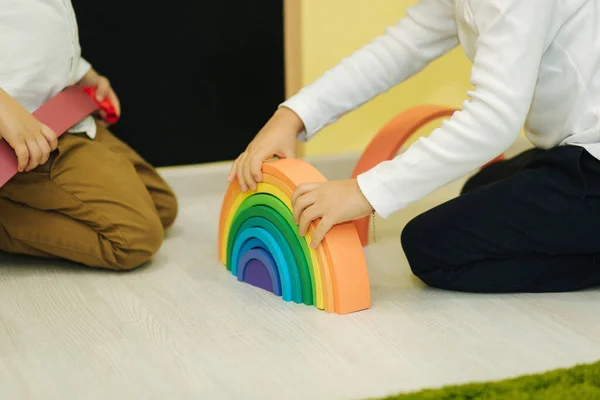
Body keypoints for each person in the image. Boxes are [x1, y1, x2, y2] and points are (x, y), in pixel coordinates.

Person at [229, 0, 600, 293]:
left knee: (431, 249)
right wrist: (292, 116)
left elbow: (493, 118)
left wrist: (363, 191)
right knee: (478, 190)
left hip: (591, 159)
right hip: (575, 148)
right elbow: (399, 48)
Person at [0, 1, 178, 270]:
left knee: (162, 207)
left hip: (61, 116)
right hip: (19, 147)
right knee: (134, 238)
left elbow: (34, 28)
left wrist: (82, 73)